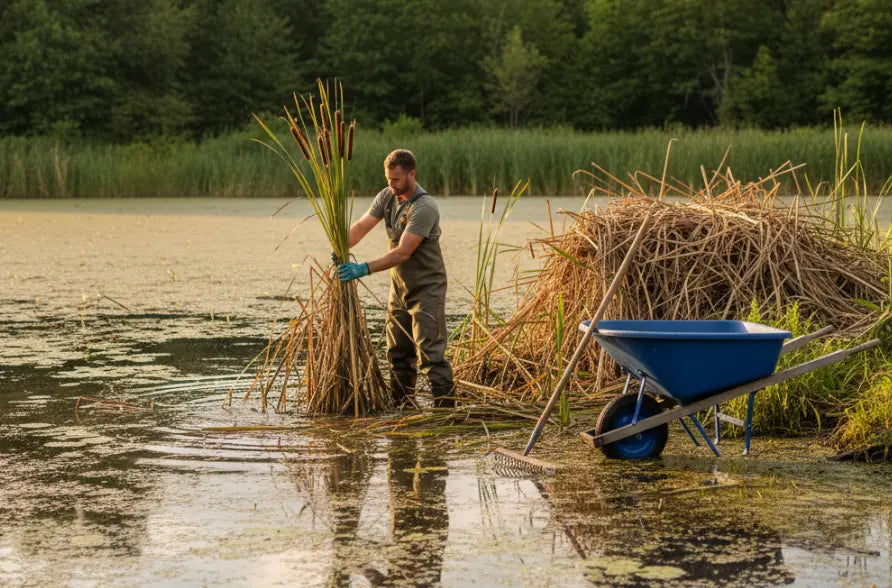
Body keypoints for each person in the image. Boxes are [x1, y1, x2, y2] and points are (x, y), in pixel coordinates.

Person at [336, 149, 455, 408]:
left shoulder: (424, 207)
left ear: (412, 174)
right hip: (399, 289)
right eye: (388, 179)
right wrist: (340, 245)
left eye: (397, 180)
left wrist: (362, 268)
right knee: (397, 353)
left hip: (427, 290)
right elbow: (362, 226)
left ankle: (446, 413)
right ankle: (403, 408)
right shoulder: (387, 196)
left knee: (430, 355)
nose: (391, 184)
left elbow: (402, 253)